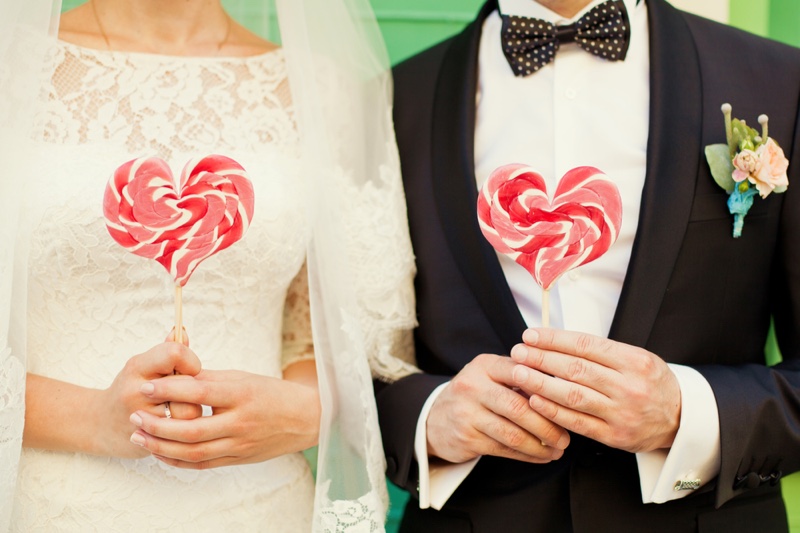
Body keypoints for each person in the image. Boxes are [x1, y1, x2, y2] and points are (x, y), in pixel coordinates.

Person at [375, 0, 800, 531]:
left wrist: (686, 414)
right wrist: (430, 419)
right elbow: (353, 366)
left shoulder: (780, 81)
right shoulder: (394, 97)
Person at [0, 0, 417, 530]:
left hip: (263, 507)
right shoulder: (9, 63)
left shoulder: (319, 89)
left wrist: (302, 411)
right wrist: (97, 420)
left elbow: (331, 335)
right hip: (50, 505)